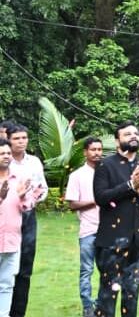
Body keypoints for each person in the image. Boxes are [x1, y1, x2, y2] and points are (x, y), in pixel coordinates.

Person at [93, 121, 139, 317]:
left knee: (132, 291)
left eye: (135, 133)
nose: (133, 136)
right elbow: (101, 197)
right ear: (117, 141)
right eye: (127, 134)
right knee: (109, 292)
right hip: (112, 240)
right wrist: (130, 186)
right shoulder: (105, 165)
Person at [7, 124, 46, 317]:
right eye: (17, 138)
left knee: (25, 268)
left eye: (24, 138)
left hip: (28, 217)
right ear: (8, 140)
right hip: (6, 217)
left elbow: (43, 189)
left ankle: (18, 312)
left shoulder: (34, 162)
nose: (21, 142)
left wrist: (34, 196)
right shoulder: (4, 161)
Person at [65, 137, 104, 317]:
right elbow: (72, 205)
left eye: (99, 149)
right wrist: (95, 201)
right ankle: (88, 306)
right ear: (85, 152)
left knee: (107, 270)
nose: (97, 153)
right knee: (86, 270)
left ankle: (103, 304)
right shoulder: (77, 175)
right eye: (93, 150)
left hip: (108, 230)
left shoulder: (107, 172)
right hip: (88, 230)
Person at [0, 139, 35, 317]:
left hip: (13, 241)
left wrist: (22, 196)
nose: (6, 156)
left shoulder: (18, 179)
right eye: (2, 153)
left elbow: (27, 208)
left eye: (7, 153)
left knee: (7, 284)